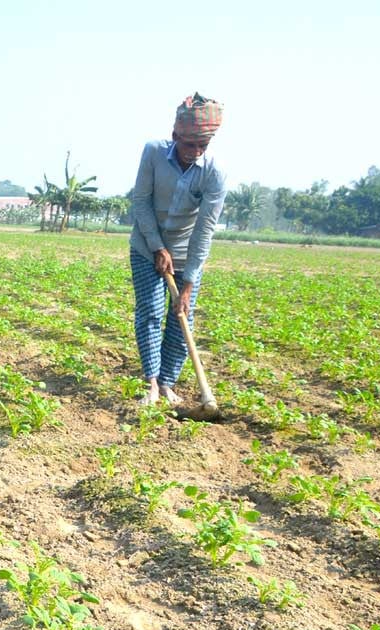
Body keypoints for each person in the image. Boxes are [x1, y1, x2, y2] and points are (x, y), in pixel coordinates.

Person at [129, 92, 226, 405]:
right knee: (151, 312)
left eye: (203, 146)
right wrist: (157, 246)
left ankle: (169, 383)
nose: (196, 152)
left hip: (187, 253)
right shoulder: (153, 153)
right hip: (146, 245)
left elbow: (205, 229)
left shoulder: (214, 173)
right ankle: (152, 384)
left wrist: (188, 283)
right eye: (189, 145)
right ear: (174, 137)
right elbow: (141, 202)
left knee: (182, 316)